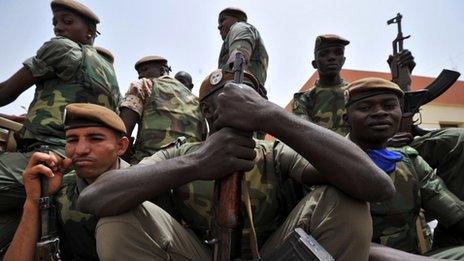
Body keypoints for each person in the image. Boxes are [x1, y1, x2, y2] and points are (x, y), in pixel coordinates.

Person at [78, 69, 396, 260]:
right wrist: (197, 163)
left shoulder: (273, 152)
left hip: (273, 254)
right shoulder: (180, 153)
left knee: (346, 200)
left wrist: (275, 118)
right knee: (117, 219)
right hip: (198, 254)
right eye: (227, 101)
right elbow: (94, 198)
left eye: (250, 101)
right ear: (206, 112)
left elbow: (375, 185)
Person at [293, 34, 464, 247]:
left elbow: (396, 110)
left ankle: (448, 237)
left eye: (338, 53)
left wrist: (402, 79)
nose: (332, 58)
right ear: (314, 62)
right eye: (325, 53)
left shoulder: (358, 90)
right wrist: (362, 150)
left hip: (390, 149)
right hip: (336, 159)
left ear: (344, 59)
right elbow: (305, 136)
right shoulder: (305, 98)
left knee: (456, 139)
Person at [0, 0, 121, 253]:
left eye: (67, 22)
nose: (58, 29)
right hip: (78, 158)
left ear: (89, 32)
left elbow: (5, 92)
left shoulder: (62, 48)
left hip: (49, 157)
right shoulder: (106, 69)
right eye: (55, 22)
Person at [343, 77, 464, 260]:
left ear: (401, 113)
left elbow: (453, 213)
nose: (380, 113)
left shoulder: (409, 160)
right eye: (365, 108)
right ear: (347, 118)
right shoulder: (330, 162)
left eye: (389, 106)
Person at [3, 103, 129, 260]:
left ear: (121, 146)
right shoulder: (61, 190)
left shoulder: (144, 188)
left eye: (95, 138)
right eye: (72, 140)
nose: (81, 150)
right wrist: (34, 200)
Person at [119, 55, 205, 163]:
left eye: (145, 70)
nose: (140, 75)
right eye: (139, 73)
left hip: (147, 170)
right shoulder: (196, 100)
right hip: (189, 169)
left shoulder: (144, 85)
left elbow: (122, 131)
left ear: (162, 69)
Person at [217, 7, 268, 96]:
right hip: (248, 94)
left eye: (222, 20)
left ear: (236, 19)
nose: (219, 26)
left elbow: (238, 57)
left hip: (240, 94)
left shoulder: (239, 27)